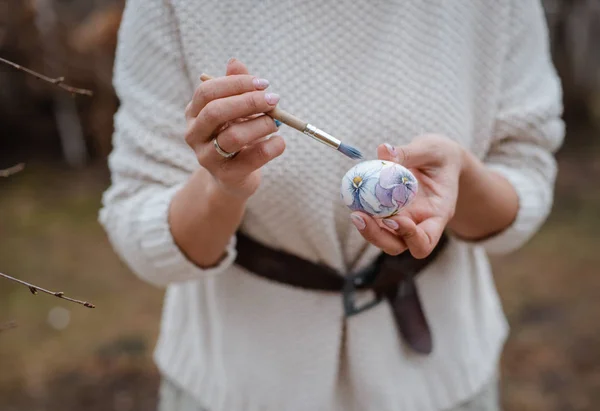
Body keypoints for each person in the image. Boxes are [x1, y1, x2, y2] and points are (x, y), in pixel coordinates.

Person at [99, 0, 565, 410]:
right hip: (239, 383)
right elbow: (140, 222)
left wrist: (462, 174)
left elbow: (525, 169)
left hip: (443, 378)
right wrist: (223, 189)